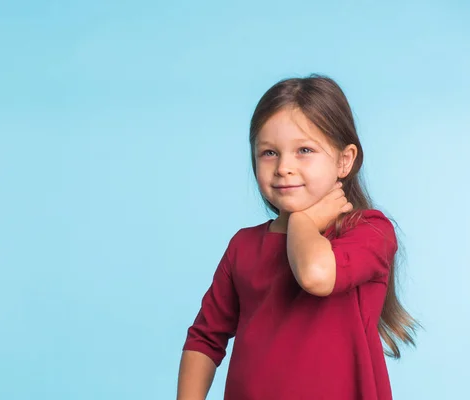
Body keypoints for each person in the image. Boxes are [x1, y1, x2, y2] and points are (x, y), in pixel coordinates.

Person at [176, 75, 419, 400]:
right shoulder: (243, 247)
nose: (284, 167)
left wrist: (302, 221)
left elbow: (315, 274)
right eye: (269, 153)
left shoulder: (370, 231)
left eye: (304, 150)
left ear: (344, 160)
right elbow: (204, 338)